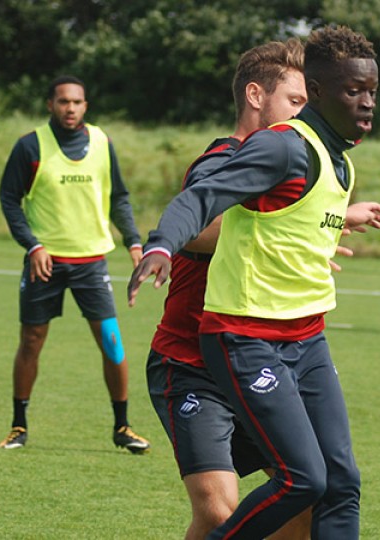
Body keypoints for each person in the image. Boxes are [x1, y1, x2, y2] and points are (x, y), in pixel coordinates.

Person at [129, 26, 380, 539]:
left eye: (372, 92)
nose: (367, 103)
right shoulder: (265, 150)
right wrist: (162, 245)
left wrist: (320, 230)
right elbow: (201, 208)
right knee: (236, 504)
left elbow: (281, 218)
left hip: (299, 339)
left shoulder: (330, 158)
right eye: (295, 99)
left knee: (329, 488)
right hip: (212, 353)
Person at [146, 39, 312, 539]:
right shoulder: (224, 158)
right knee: (220, 512)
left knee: (306, 499)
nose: (305, 115)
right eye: (296, 101)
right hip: (191, 363)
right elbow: (196, 229)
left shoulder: (287, 169)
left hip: (255, 360)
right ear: (256, 96)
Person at [0, 75, 150, 454]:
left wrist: (133, 241)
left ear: (86, 106)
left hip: (91, 262)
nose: (70, 108)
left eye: (77, 102)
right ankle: (18, 425)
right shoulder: (30, 146)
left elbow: (119, 197)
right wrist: (33, 245)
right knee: (31, 341)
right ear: (50, 104)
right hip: (44, 263)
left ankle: (122, 427)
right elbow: (9, 199)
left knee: (112, 342)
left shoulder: (102, 142)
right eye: (63, 101)